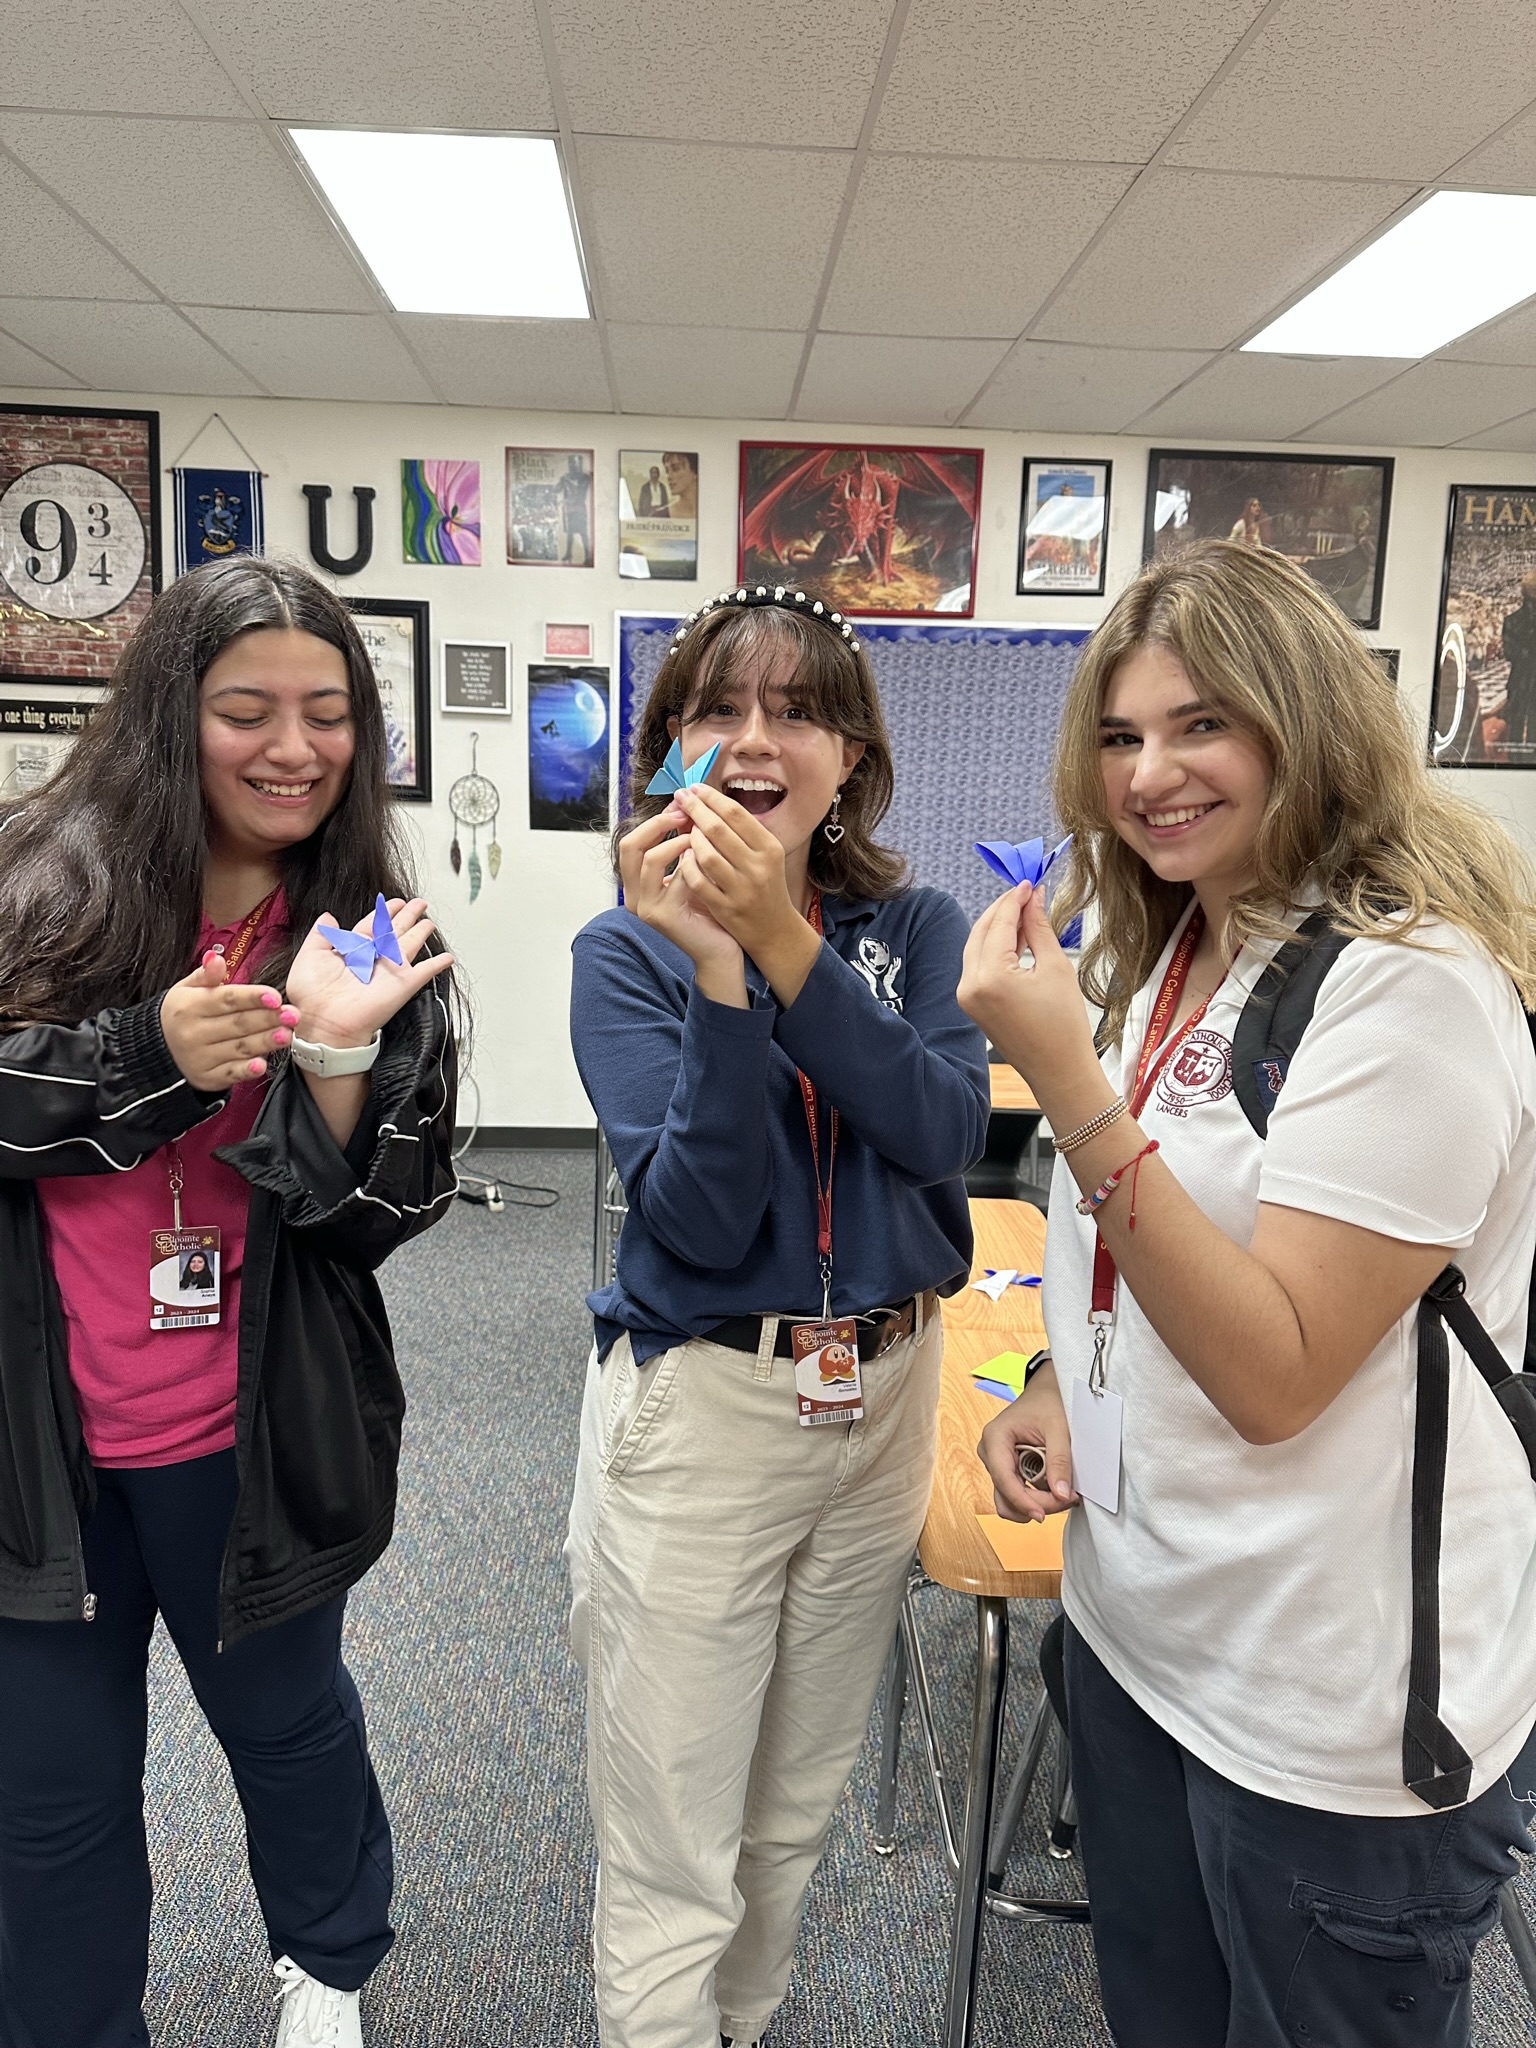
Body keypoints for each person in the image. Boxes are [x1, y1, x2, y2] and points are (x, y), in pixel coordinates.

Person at [959, 538, 1536, 2048]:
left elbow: (1278, 1371)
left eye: (1200, 724)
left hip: (1325, 1713)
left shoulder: (1411, 985)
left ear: (1307, 724)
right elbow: (1146, 1245)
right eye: (1121, 734)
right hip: (1144, 1639)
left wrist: (1065, 1076)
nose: (1152, 774)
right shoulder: (1180, 942)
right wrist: (1054, 1390)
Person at [0, 556, 459, 2048]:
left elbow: (382, 1213)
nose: (294, 747)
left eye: (328, 713)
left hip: (245, 1438)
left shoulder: (370, 931)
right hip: (39, 1455)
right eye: (246, 708)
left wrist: (331, 1058)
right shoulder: (34, 886)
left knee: (288, 1730)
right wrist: (149, 1053)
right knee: (48, 1800)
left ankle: (327, 1962)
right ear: (164, 718)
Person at [565, 586, 988, 2048]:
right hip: (710, 1412)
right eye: (718, 709)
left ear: (851, 757)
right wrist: (723, 974)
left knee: (789, 1817)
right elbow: (694, 1217)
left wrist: (789, 949)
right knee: (675, 1842)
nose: (756, 740)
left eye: (798, 710)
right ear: (671, 749)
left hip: (884, 1404)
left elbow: (940, 1128)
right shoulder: (625, 952)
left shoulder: (918, 925)